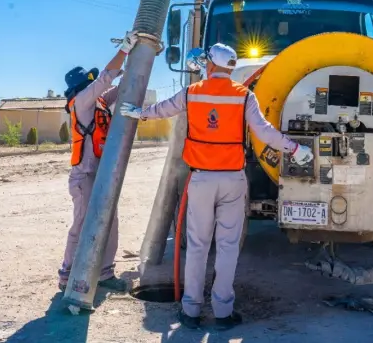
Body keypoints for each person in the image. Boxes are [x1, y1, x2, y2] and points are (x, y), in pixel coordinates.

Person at [120, 43, 313, 330]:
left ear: (209, 65)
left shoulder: (192, 92)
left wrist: (139, 112)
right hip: (233, 180)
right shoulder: (244, 96)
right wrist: (295, 149)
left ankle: (191, 311)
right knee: (227, 247)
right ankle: (223, 313)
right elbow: (264, 132)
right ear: (231, 68)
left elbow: (163, 109)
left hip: (200, 179)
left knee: (197, 246)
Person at [58, 31, 137, 293]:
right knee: (81, 225)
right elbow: (106, 78)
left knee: (110, 221)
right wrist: (124, 50)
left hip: (100, 173)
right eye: (90, 82)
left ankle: (104, 273)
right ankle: (67, 273)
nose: (95, 84)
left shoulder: (99, 101)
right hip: (84, 177)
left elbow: (117, 88)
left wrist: (137, 62)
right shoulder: (80, 102)